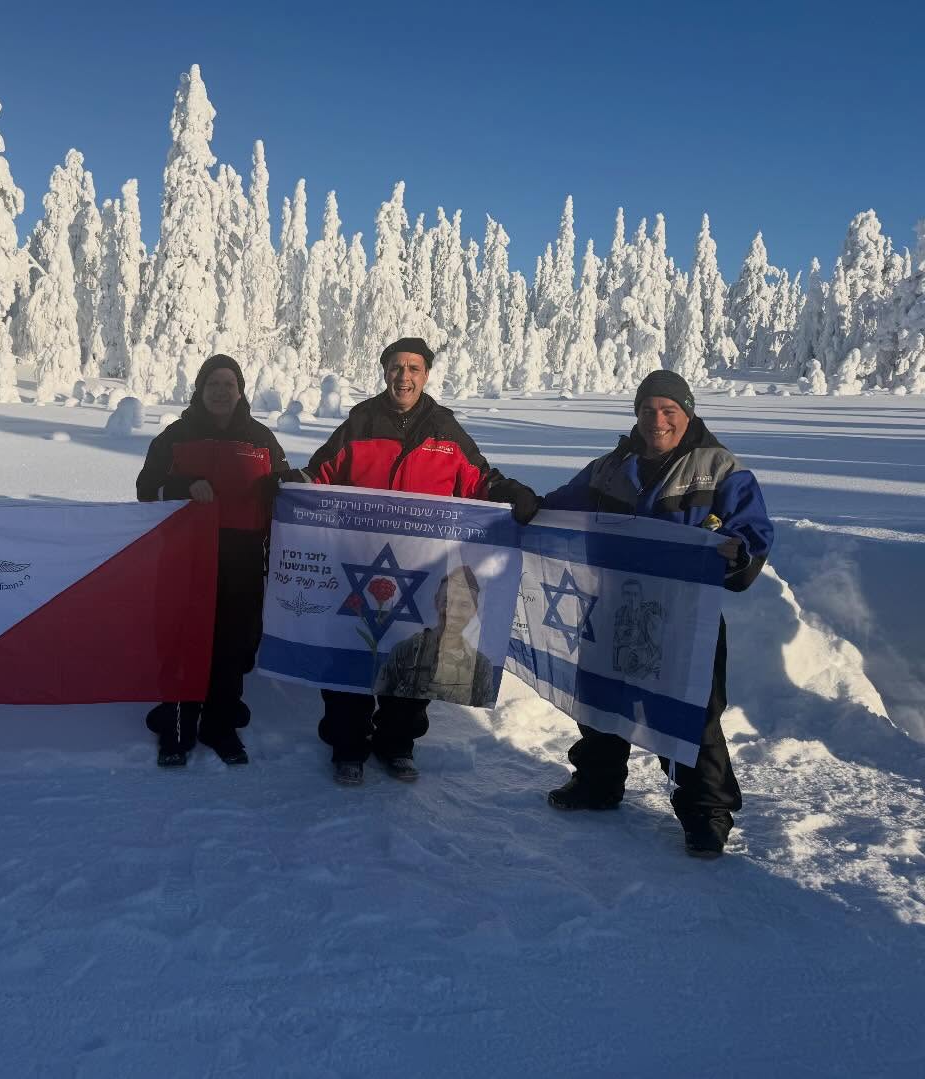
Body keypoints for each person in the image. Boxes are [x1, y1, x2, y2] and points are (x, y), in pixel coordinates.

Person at [540, 369, 773, 858]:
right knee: (600, 697)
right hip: (611, 605)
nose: (657, 420)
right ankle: (598, 783)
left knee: (691, 712)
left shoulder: (721, 468)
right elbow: (558, 508)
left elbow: (752, 532)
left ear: (688, 413)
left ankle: (707, 812)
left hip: (688, 616)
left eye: (669, 410)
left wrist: (741, 554)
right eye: (647, 410)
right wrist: (520, 507)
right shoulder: (610, 467)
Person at [301, 336, 539, 785]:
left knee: (412, 662)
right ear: (384, 371)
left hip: (423, 570)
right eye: (396, 366)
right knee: (352, 654)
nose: (404, 376)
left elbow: (478, 479)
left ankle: (397, 743)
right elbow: (319, 475)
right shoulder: (360, 423)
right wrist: (293, 484)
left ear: (426, 374)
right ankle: (347, 745)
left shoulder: (445, 430)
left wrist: (507, 492)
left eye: (413, 368)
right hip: (359, 564)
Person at [135, 354, 290, 767]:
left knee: (233, 642)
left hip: (241, 559)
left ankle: (220, 723)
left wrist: (283, 484)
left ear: (240, 392)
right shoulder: (175, 436)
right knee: (183, 638)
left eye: (229, 384)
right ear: (200, 391)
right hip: (185, 558)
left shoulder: (260, 439)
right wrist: (182, 487)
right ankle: (177, 723)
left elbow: (283, 485)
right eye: (213, 385)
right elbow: (146, 488)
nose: (221, 392)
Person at [375, 563, 494, 706]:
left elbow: (482, 713)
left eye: (464, 605)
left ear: (474, 611)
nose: (452, 612)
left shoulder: (481, 667)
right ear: (436, 601)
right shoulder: (404, 652)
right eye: (447, 601)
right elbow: (381, 700)